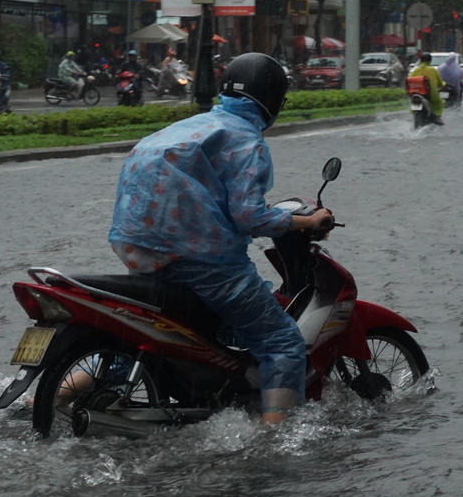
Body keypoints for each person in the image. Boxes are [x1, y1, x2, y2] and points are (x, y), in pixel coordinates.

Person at [108, 53, 334, 425]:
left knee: (134, 345)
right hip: (204, 264)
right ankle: (275, 440)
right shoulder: (245, 140)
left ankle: (46, 397)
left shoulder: (187, 128)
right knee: (282, 342)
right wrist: (306, 222)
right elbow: (249, 216)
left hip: (141, 255)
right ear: (273, 98)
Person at [407, 51, 445, 124]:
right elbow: (440, 82)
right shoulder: (433, 70)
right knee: (439, 103)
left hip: (416, 93)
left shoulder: (415, 70)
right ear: (430, 60)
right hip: (430, 94)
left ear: (421, 60)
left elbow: (409, 80)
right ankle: (437, 117)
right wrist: (442, 85)